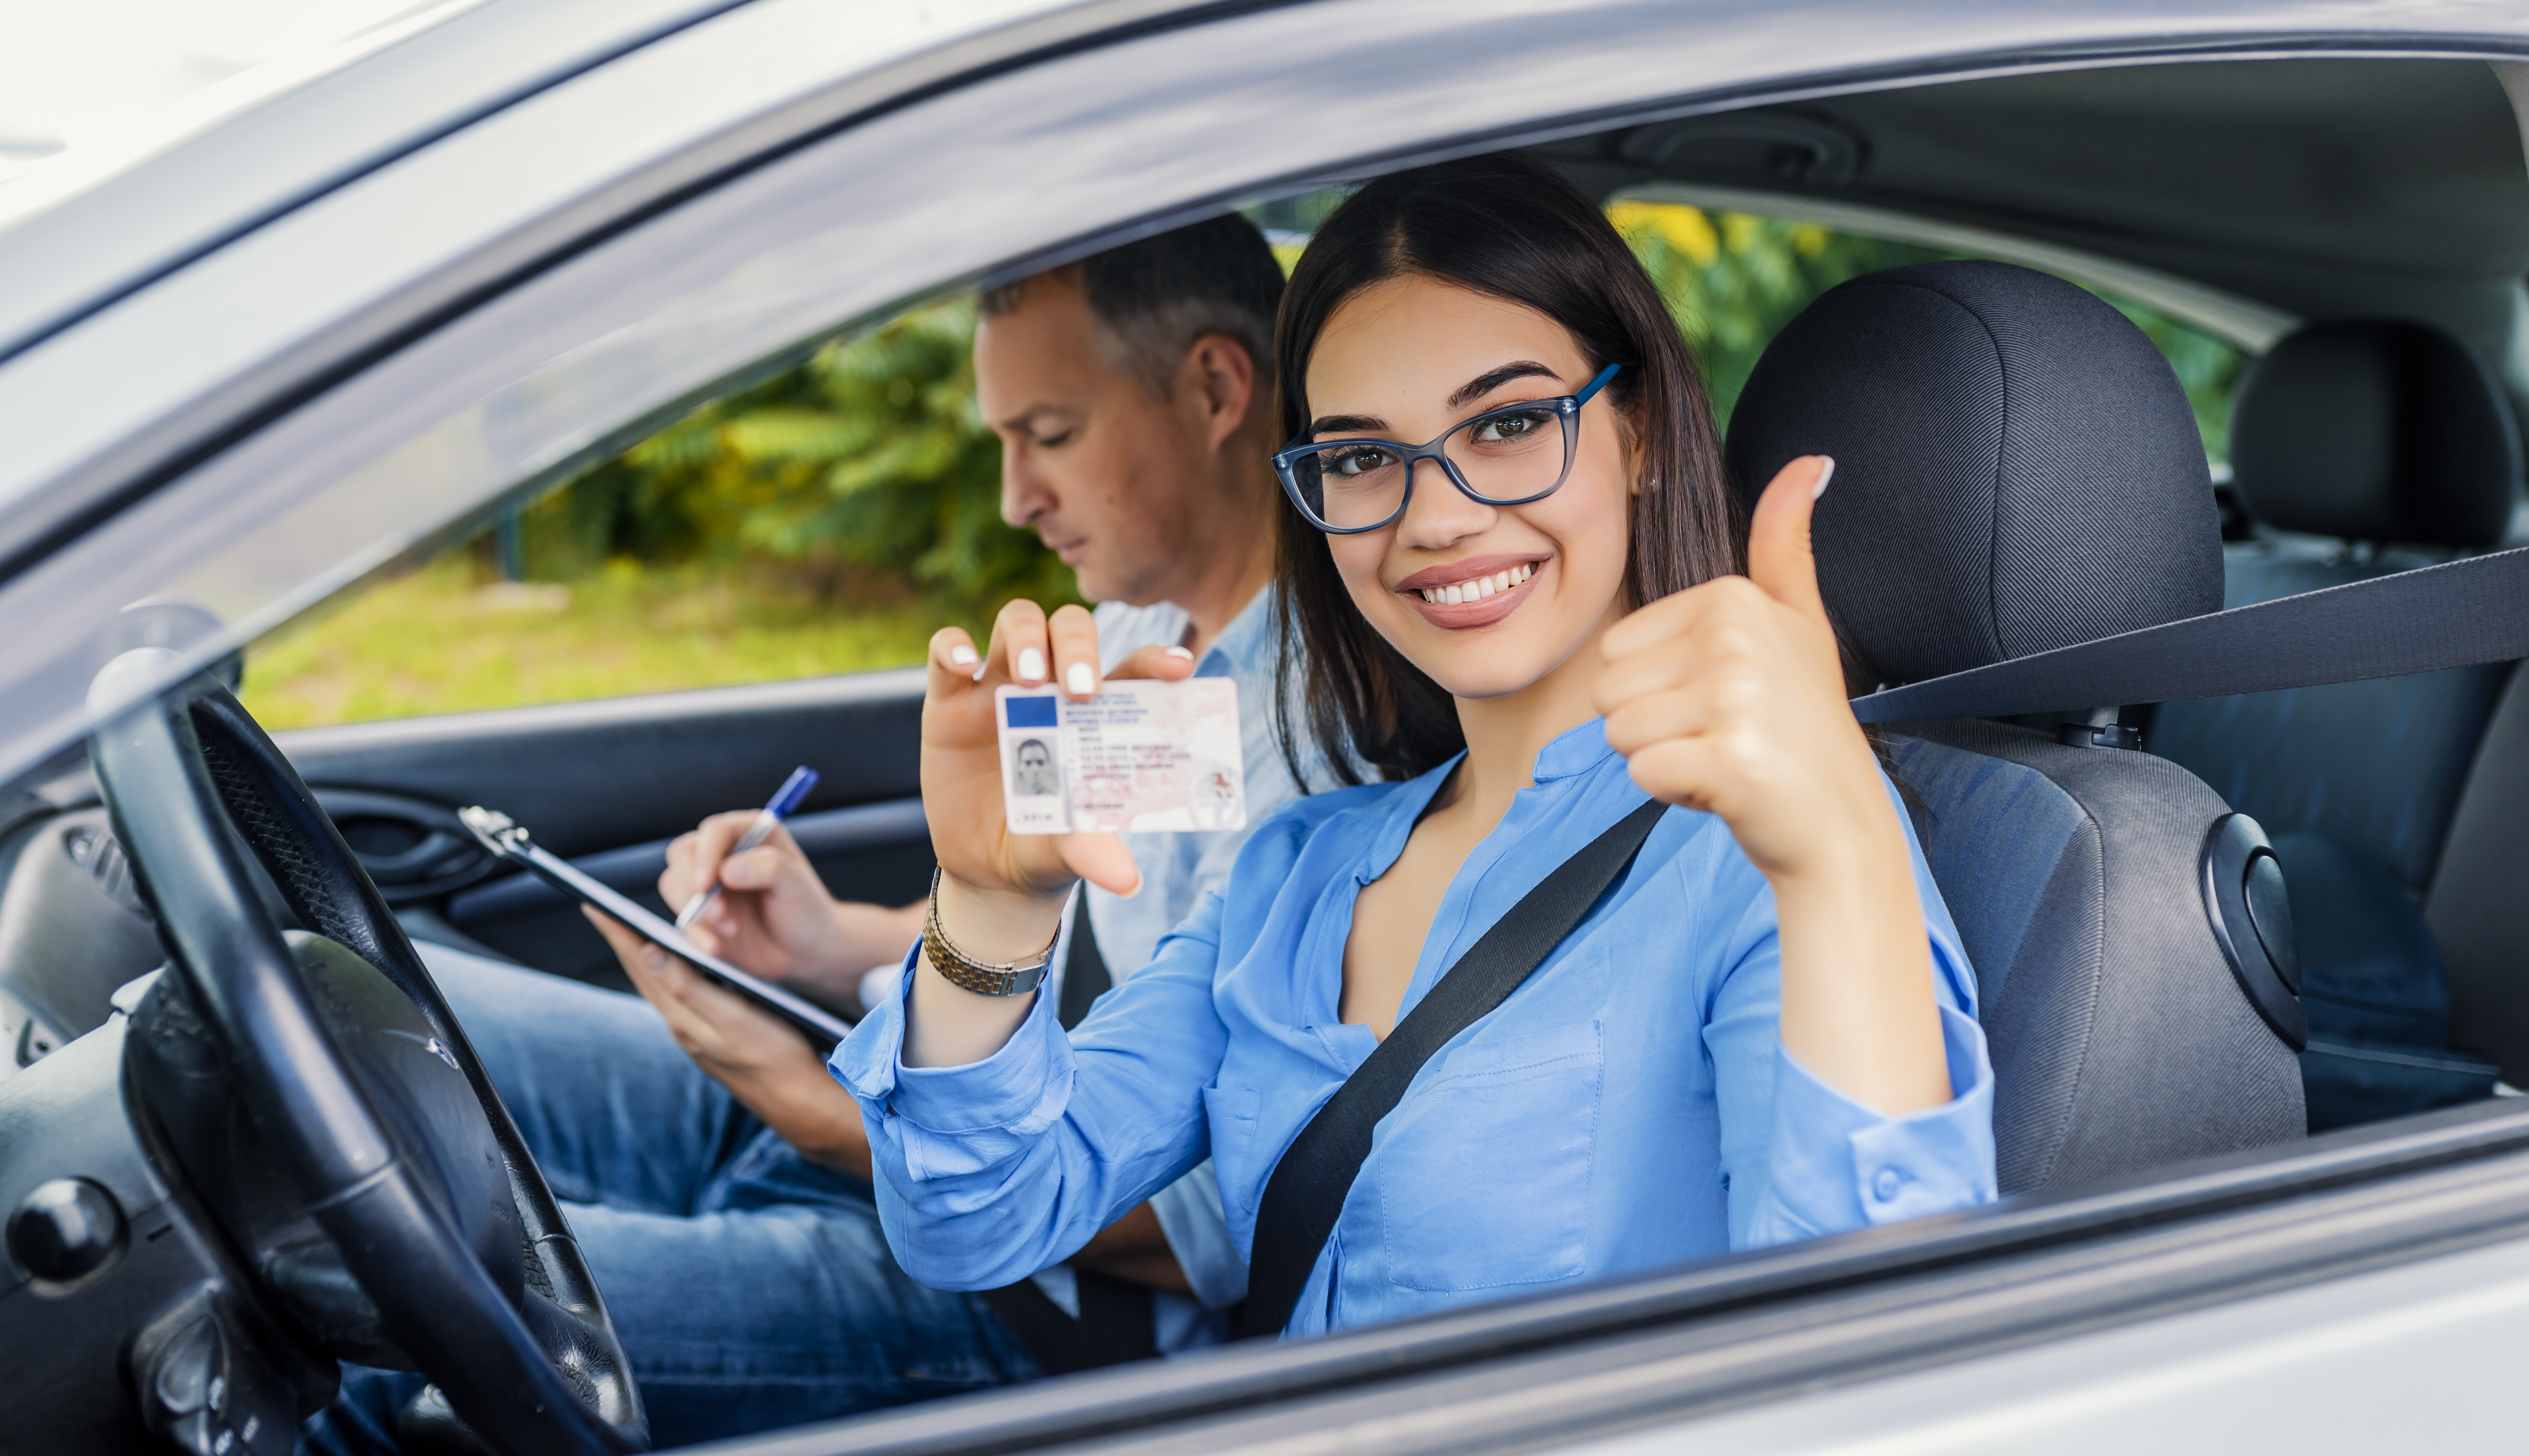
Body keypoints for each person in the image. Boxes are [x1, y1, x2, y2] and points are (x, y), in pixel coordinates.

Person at [830, 155, 1999, 1336]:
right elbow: (973, 1222)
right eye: (1360, 457)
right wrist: (985, 905)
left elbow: (1877, 1368)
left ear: (1638, 430)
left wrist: (1841, 844)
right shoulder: (1295, 875)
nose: (1433, 518)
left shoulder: (1777, 855)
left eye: (1506, 424)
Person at [304, 214, 1306, 1453]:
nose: (1015, 497)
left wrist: (815, 1115)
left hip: (1031, 1295)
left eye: (1049, 436)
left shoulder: (1317, 748)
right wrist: (826, 946)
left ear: (1215, 386)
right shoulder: (1149, 636)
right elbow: (1087, 942)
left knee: (377, 1340)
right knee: (359, 1014)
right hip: (884, 1090)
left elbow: (1211, 1221)